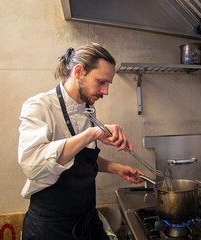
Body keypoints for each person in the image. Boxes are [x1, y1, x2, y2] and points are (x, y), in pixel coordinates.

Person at [18, 42, 144, 240]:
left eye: (108, 84)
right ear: (79, 72)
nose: (106, 91)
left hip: (85, 221)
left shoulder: (87, 109)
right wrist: (93, 134)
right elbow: (32, 166)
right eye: (101, 82)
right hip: (51, 227)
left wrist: (117, 168)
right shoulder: (39, 107)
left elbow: (81, 158)